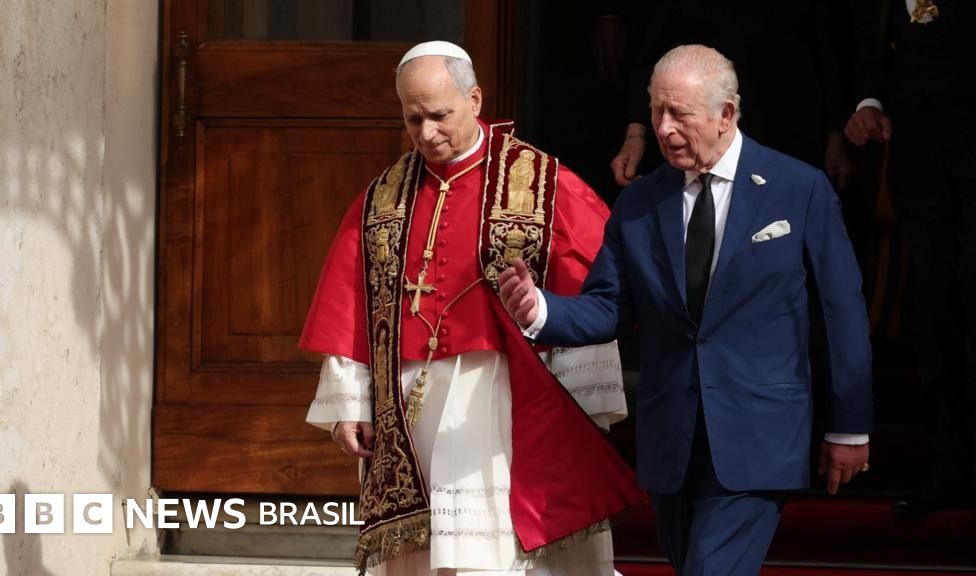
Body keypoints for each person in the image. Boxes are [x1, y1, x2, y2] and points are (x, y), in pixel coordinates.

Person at [499, 45, 873, 575]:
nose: (665, 128)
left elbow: (842, 314)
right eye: (656, 111)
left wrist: (849, 426)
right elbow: (608, 308)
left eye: (680, 113)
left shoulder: (798, 188)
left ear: (727, 114)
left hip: (758, 438)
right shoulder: (641, 201)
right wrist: (540, 309)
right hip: (671, 441)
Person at [299, 41, 643, 575]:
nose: (427, 133)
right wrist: (351, 402)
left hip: (503, 394)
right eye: (413, 119)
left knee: (499, 547)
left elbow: (589, 287)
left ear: (475, 99)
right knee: (425, 553)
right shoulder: (383, 198)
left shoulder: (542, 183)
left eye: (440, 115)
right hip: (410, 401)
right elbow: (351, 300)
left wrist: (586, 400)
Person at [844, 0, 976, 517]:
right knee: (933, 305)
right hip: (918, 152)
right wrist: (867, 101)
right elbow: (866, 40)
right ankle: (951, 468)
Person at [601, 1, 853, 193]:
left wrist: (836, 133)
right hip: (707, 132)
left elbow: (829, 49)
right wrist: (636, 134)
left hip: (789, 126)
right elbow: (653, 50)